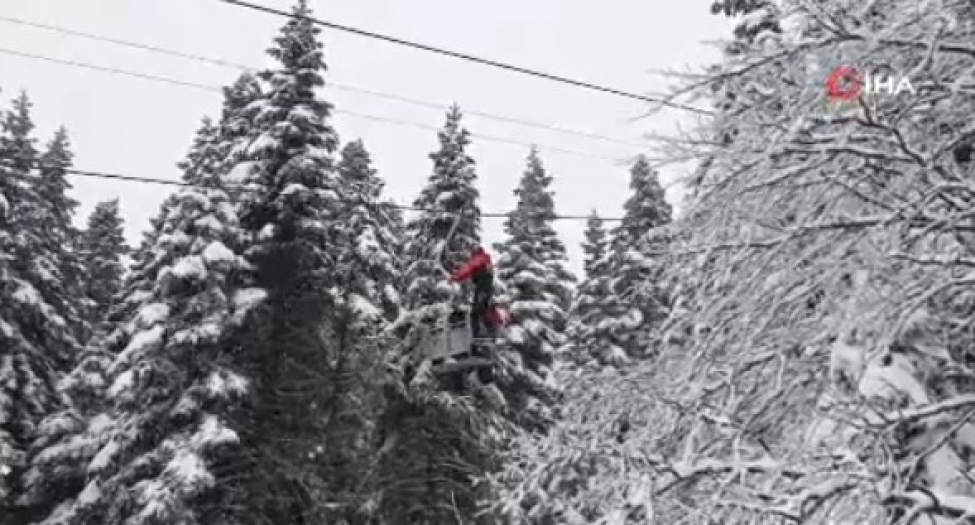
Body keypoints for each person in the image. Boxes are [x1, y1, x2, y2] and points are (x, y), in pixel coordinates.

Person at [450, 247, 497, 338]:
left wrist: (456, 277)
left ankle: (478, 334)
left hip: (482, 289)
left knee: (476, 311)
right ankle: (490, 331)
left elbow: (468, 269)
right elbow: (471, 272)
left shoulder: (480, 259)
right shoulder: (486, 261)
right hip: (485, 289)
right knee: (482, 310)